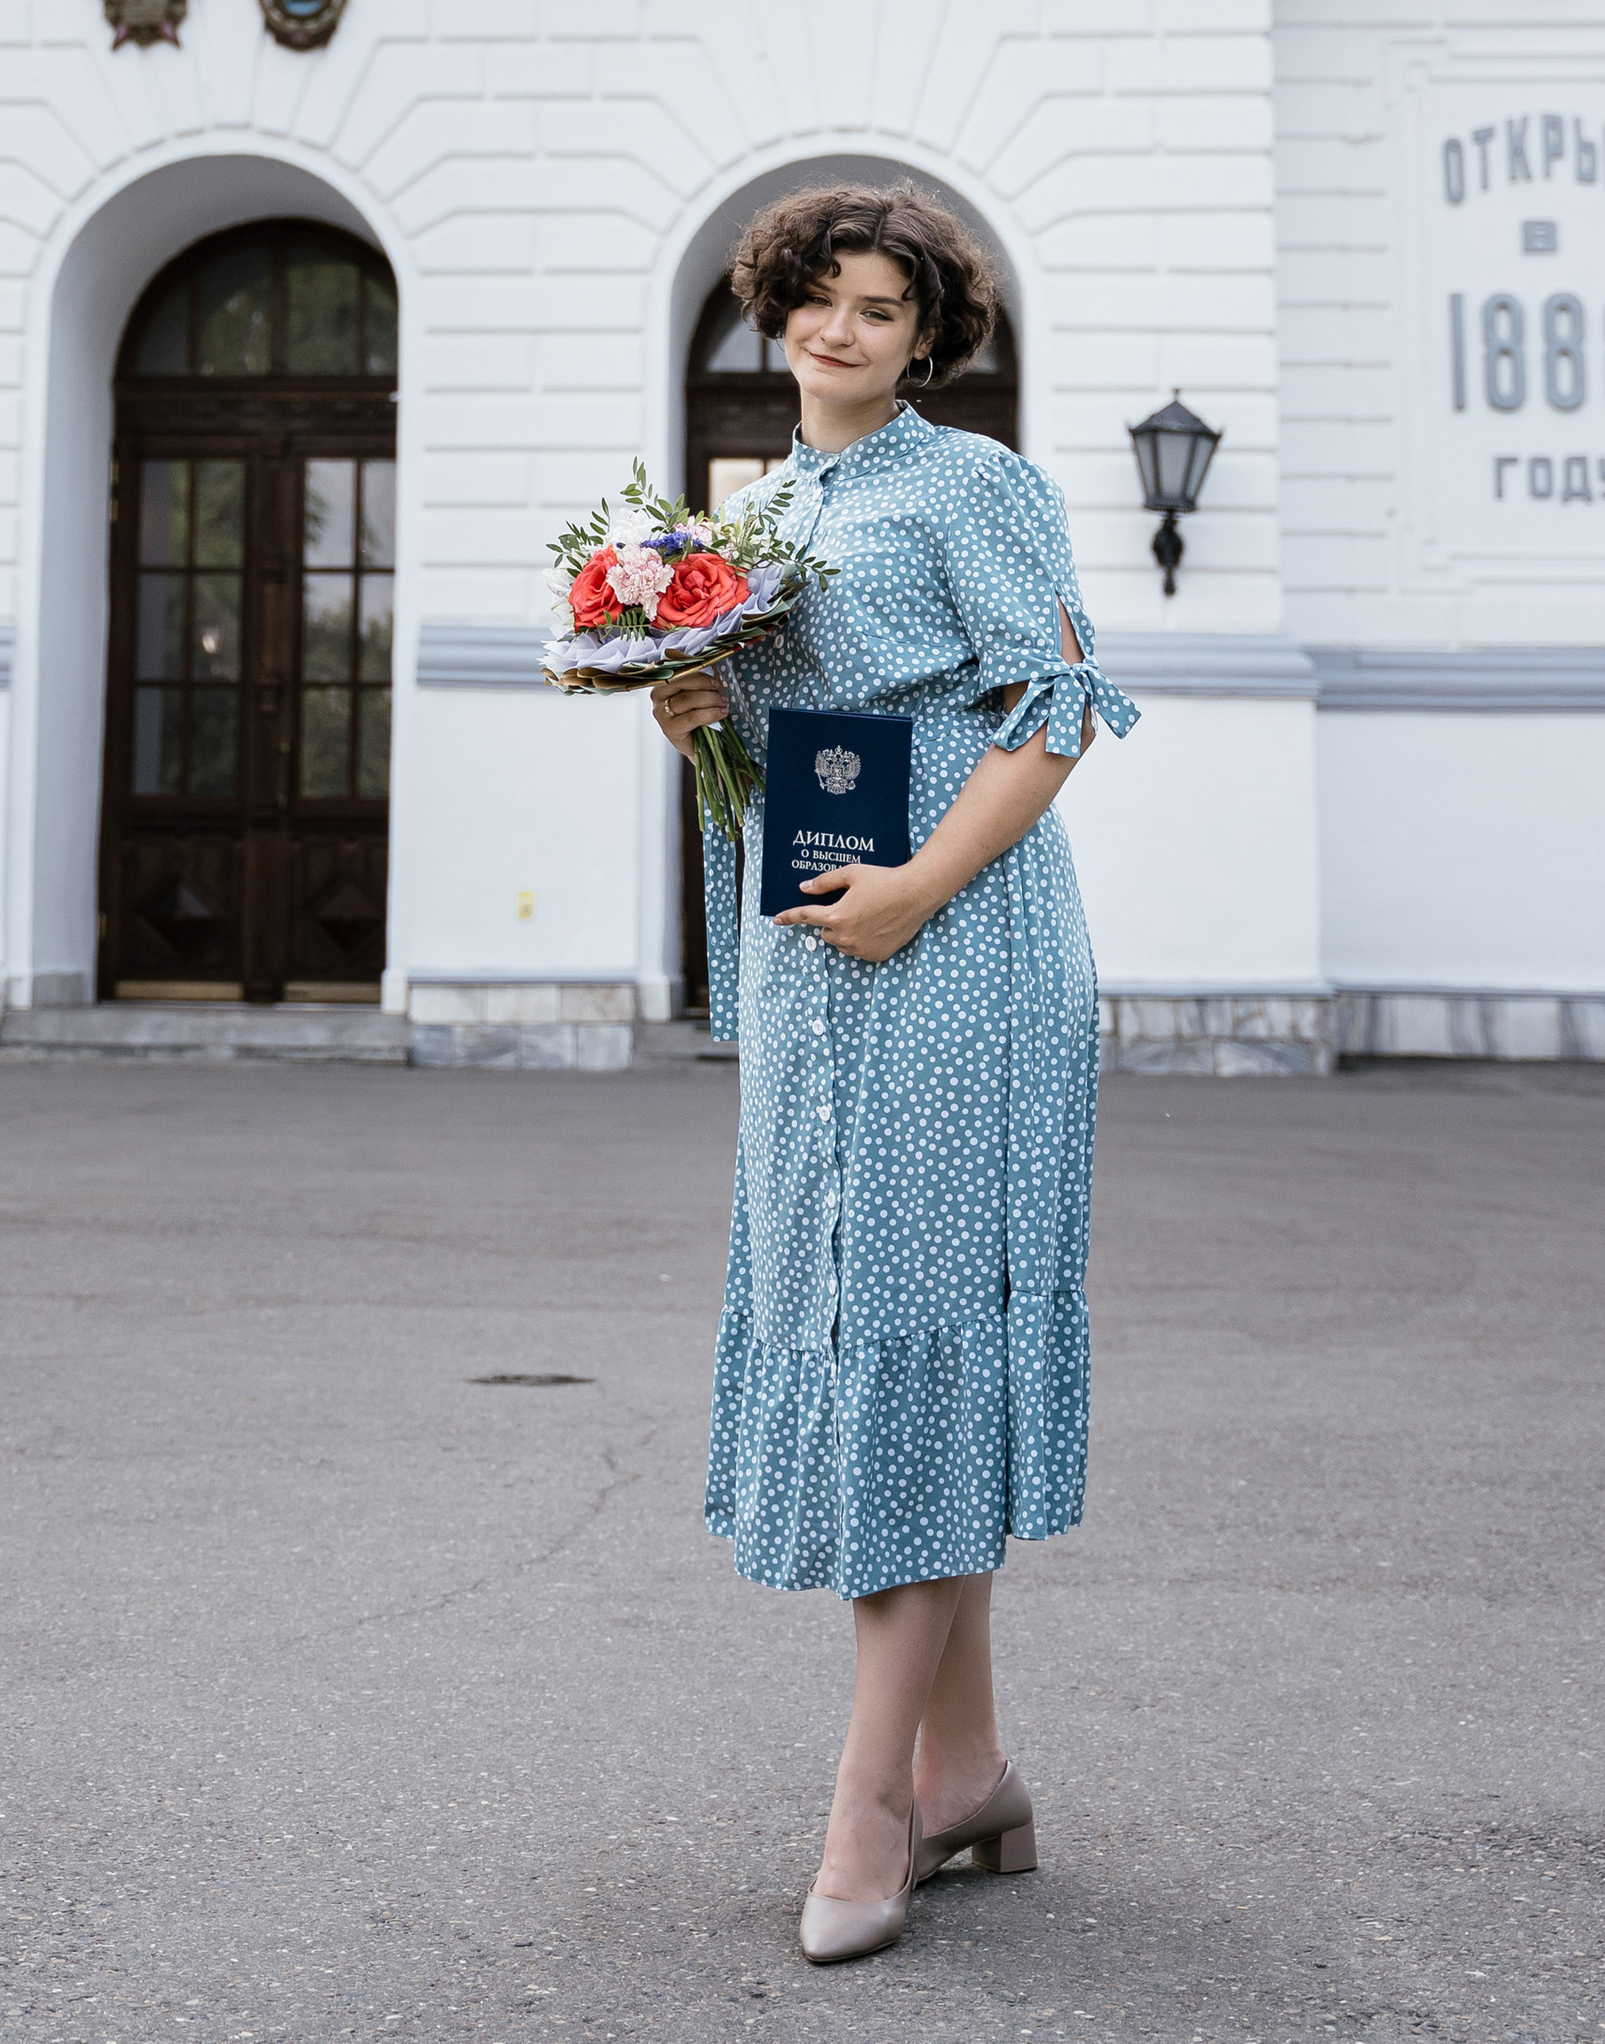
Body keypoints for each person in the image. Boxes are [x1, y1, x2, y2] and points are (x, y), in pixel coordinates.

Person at [651, 182, 1136, 1966]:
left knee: (914, 1323)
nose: (845, 332)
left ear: (929, 337)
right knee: (868, 1319)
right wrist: (701, 714)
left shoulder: (979, 485)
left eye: (881, 310)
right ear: (777, 316)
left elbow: (1058, 704)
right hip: (817, 957)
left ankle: (870, 1811)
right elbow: (790, 752)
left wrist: (925, 885)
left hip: (960, 953)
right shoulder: (762, 507)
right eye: (819, 305)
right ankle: (973, 1774)